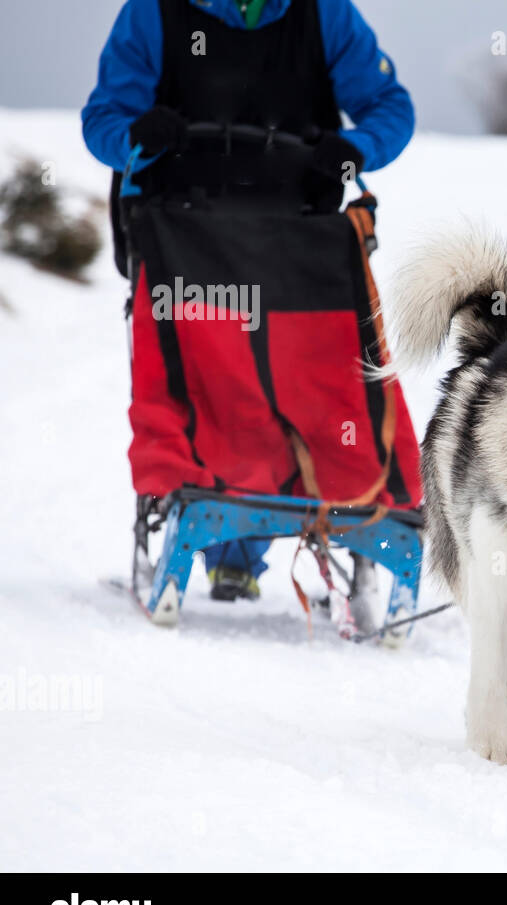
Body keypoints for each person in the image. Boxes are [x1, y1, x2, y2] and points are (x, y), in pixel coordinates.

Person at [83, 0, 415, 601]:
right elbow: (104, 119)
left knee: (311, 379)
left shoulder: (325, 15)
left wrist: (355, 147)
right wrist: (136, 134)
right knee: (211, 382)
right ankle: (227, 535)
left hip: (295, 229)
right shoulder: (153, 14)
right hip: (183, 229)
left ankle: (317, 503)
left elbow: (389, 107)